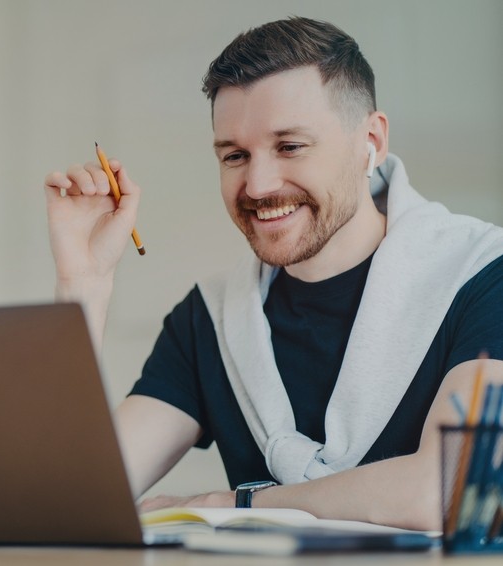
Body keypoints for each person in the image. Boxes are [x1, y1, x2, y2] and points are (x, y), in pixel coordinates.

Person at [43, 17, 503, 531]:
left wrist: (233, 505)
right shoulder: (209, 322)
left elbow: (453, 487)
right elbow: (64, 500)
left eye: (290, 147)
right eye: (235, 155)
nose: (258, 185)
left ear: (370, 141)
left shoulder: (482, 276)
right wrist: (84, 283)